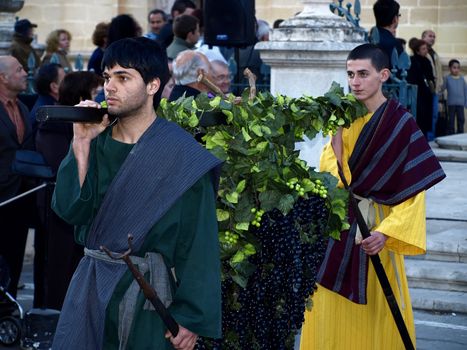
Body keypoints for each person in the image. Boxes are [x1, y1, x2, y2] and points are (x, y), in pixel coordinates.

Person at [51, 37, 222, 350]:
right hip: (91, 290)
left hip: (149, 301)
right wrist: (81, 144)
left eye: (123, 77)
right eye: (107, 78)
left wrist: (192, 316)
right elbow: (69, 210)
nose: (109, 87)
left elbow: (200, 245)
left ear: (153, 86)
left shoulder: (182, 155)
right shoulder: (96, 144)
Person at [300, 43, 445, 349]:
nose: (355, 81)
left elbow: (413, 191)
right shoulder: (343, 120)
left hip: (378, 230)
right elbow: (331, 177)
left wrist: (386, 232)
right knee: (328, 307)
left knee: (380, 310)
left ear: (383, 75)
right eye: (350, 74)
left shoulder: (401, 124)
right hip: (341, 228)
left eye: (363, 74)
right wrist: (336, 143)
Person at [35, 71, 104, 310]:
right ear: (82, 95)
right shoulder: (55, 124)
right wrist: (81, 143)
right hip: (60, 211)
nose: (103, 96)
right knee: (60, 270)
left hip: (85, 211)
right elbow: (59, 167)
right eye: (97, 91)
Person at [0, 56, 34, 298]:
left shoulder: (22, 107)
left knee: (14, 258)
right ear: (3, 77)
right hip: (1, 196)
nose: (25, 73)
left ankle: (9, 313)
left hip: (22, 196)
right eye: (19, 69)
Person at [407, 38, 435, 137]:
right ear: (417, 50)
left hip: (426, 93)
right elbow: (411, 77)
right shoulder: (412, 60)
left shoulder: (427, 60)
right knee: (419, 115)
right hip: (417, 93)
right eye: (423, 49)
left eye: (426, 48)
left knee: (426, 116)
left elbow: (431, 76)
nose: (426, 50)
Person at [422, 29, 444, 139]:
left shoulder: (435, 54)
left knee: (435, 115)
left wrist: (440, 87)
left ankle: (432, 138)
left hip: (435, 89)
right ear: (423, 37)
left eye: (434, 36)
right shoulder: (420, 53)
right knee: (427, 115)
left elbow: (439, 72)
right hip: (426, 89)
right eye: (430, 36)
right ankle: (428, 138)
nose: (432, 38)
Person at [441, 59, 467, 134]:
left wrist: (466, 102)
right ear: (450, 68)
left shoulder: (462, 79)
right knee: (451, 120)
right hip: (451, 104)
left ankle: (460, 134)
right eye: (454, 67)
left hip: (460, 104)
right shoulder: (447, 78)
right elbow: (443, 88)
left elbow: (465, 91)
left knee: (461, 119)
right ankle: (451, 134)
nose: (456, 69)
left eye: (458, 68)